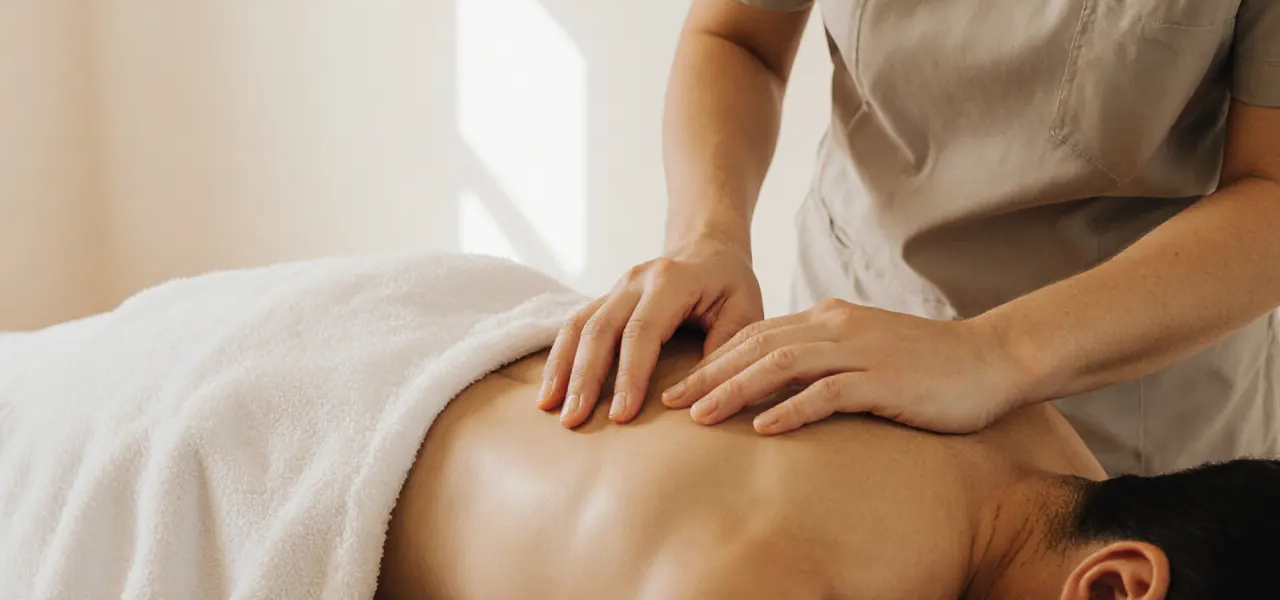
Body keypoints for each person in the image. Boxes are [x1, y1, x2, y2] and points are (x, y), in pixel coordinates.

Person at [540, 0, 1280, 477]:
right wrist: (708, 236)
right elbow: (737, 38)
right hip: (843, 368)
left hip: (1133, 419)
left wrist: (996, 354)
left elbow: (1269, 191)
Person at [384, 332, 1280, 599]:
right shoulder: (788, 574)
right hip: (320, 437)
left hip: (436, 328)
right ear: (1113, 591)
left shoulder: (1029, 429)